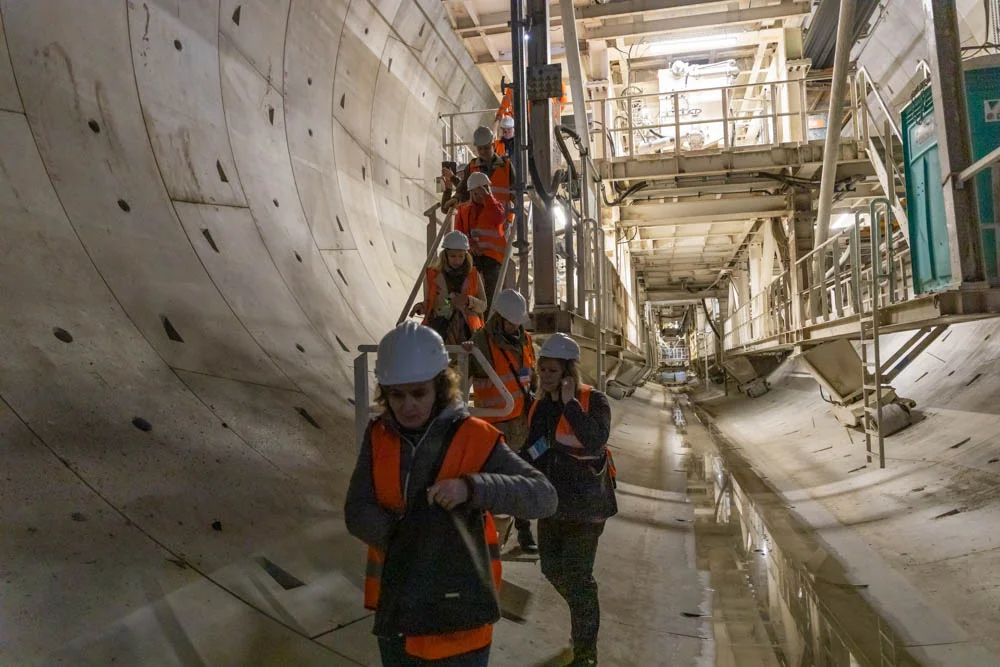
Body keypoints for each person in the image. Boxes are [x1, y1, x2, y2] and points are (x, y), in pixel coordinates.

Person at [345, 322, 558, 666]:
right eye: (396, 395)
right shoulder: (378, 435)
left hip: (461, 615)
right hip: (399, 609)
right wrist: (404, 542)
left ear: (440, 387)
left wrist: (473, 488)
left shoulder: (476, 436)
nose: (407, 406)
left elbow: (543, 496)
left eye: (419, 393)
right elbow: (356, 508)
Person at [523, 333, 616, 667]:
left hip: (588, 508)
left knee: (578, 578)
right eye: (542, 369)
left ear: (567, 373)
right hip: (553, 504)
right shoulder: (541, 405)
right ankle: (583, 609)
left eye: (551, 371)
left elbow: (594, 442)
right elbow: (535, 449)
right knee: (551, 569)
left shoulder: (595, 401)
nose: (544, 376)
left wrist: (569, 405)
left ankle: (586, 654)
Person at [470, 289, 538, 552]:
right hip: (492, 424)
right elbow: (460, 372)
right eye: (511, 321)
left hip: (520, 422)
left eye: (518, 322)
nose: (514, 327)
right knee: (491, 480)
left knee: (518, 477)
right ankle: (485, 536)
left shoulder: (526, 340)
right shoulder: (481, 342)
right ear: (499, 317)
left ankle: (523, 531)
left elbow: (531, 376)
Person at [411, 230, 486, 344]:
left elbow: (483, 306)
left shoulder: (473, 275)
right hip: (440, 328)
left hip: (468, 333)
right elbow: (429, 303)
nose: (457, 260)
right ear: (445, 255)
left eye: (461, 256)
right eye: (453, 256)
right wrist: (420, 307)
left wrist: (468, 300)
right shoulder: (432, 276)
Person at [453, 172, 506, 309]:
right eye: (475, 194)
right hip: (471, 256)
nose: (478, 197)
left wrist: (488, 198)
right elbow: (459, 233)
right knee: (470, 288)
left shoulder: (495, 207)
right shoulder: (463, 211)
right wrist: (470, 245)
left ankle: (488, 318)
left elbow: (499, 217)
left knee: (491, 291)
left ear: (487, 191)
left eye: (481, 193)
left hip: (492, 257)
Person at [442, 126, 513, 216]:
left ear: (492, 145)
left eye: (486, 148)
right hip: (479, 220)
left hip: (501, 219)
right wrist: (456, 198)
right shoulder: (471, 167)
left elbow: (516, 194)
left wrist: (513, 220)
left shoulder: (506, 166)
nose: (483, 152)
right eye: (480, 149)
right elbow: (463, 189)